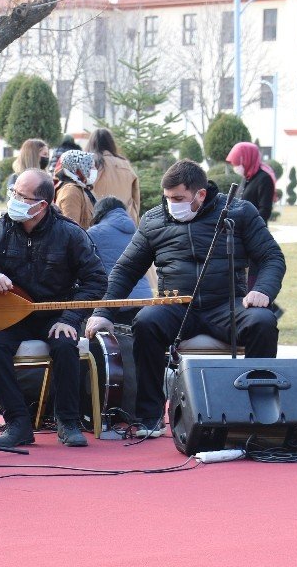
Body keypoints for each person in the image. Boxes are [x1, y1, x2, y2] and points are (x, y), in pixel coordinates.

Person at [85, 160, 286, 438]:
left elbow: (271, 256)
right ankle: (149, 416)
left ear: (200, 194)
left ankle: (257, 413)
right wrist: (102, 310)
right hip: (175, 307)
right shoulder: (153, 220)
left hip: (227, 305)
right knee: (145, 322)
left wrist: (263, 290)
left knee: (263, 321)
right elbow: (126, 269)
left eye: (178, 198)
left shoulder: (239, 213)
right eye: (167, 198)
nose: (171, 204)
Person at [0, 169, 107, 448]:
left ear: (41, 205)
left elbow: (97, 280)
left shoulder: (70, 234)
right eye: (13, 192)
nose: (13, 199)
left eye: (21, 196)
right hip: (12, 314)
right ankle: (17, 422)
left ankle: (68, 421)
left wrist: (71, 317)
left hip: (56, 315)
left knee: (64, 345)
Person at [86, 197, 152, 325]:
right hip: (145, 298)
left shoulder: (93, 233)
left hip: (115, 301)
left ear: (98, 212)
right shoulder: (138, 232)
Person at [87, 128, 142, 223]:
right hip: (126, 220)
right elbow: (135, 196)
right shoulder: (125, 164)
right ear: (111, 143)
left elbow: (86, 194)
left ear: (92, 143)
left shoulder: (91, 164)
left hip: (98, 222)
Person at [225, 141, 275, 225]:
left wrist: (248, 225)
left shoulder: (264, 179)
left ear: (247, 159)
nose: (235, 166)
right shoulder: (247, 178)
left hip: (255, 232)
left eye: (238, 163)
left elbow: (265, 210)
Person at [54, 149, 97, 229]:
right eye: (91, 166)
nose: (94, 170)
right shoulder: (71, 192)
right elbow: (71, 230)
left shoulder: (83, 188)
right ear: (79, 168)